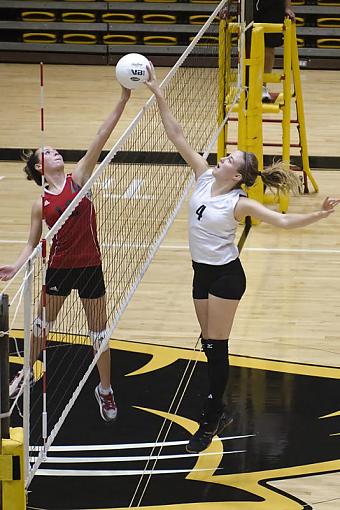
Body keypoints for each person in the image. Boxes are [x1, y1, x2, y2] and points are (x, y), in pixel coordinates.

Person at [144, 62, 340, 453]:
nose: (224, 158)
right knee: (209, 343)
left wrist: (320, 212)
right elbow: (178, 135)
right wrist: (158, 94)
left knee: (217, 346)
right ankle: (219, 407)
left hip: (226, 278)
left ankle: (212, 416)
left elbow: (282, 221)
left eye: (231, 159)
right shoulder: (203, 176)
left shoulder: (240, 203)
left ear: (236, 175)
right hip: (201, 273)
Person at [0, 84, 131, 423]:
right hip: (58, 269)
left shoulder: (80, 179)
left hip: (91, 267)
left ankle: (104, 389)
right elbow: (32, 243)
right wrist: (16, 266)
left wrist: (123, 98)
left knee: (99, 333)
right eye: (47, 153)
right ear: (40, 169)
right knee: (41, 325)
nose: (55, 152)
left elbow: (101, 135)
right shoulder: (39, 204)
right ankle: (27, 370)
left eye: (54, 149)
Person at [253, 0, 296, 102]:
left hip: (273, 7)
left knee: (269, 50)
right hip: (249, 6)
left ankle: (262, 88)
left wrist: (288, 7)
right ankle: (245, 88)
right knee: (246, 48)